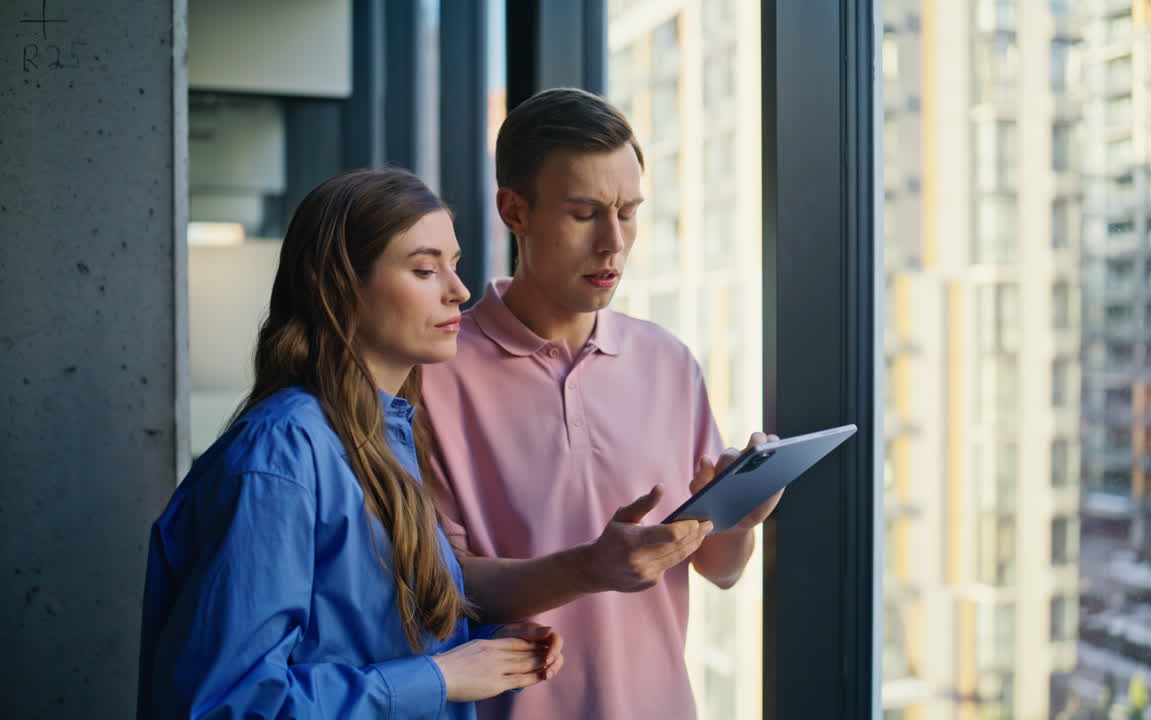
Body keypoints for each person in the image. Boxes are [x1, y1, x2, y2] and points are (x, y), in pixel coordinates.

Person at [137, 168, 564, 719]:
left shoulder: (384, 436)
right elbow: (227, 704)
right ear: (340, 287)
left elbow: (348, 639)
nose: (458, 290)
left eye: (453, 266)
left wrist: (478, 648)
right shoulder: (280, 455)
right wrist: (439, 677)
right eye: (425, 269)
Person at [417, 88, 781, 719]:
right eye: (585, 213)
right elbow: (441, 590)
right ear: (515, 211)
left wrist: (740, 521)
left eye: (629, 212)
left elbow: (719, 570)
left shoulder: (669, 364)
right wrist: (592, 567)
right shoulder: (434, 374)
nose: (614, 242)